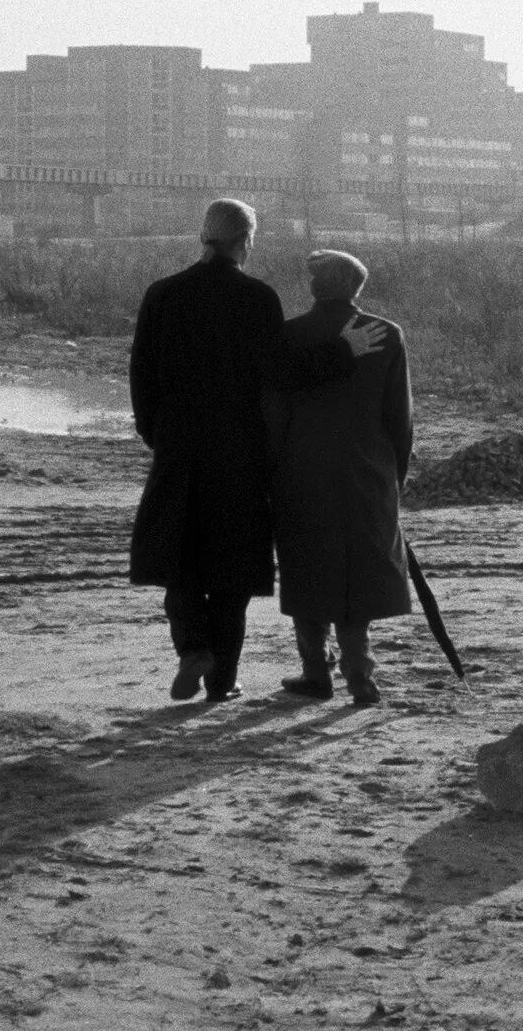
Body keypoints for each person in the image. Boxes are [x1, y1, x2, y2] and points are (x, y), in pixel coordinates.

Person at [129, 200, 386, 703]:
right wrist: (344, 351)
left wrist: (158, 435)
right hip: (238, 453)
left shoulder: (162, 294)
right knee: (231, 571)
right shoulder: (256, 298)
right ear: (245, 241)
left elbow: (142, 376)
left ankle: (192, 649)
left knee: (181, 559)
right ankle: (222, 681)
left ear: (204, 236)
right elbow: (282, 372)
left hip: (179, 449)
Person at [266, 249, 412, 706]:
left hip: (300, 470)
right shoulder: (387, 335)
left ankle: (316, 671)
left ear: (315, 287)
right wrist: (395, 476)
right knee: (357, 570)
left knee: (307, 567)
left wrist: (271, 471)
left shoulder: (288, 334)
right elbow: (399, 418)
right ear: (357, 288)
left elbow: (273, 412)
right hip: (368, 469)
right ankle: (360, 675)